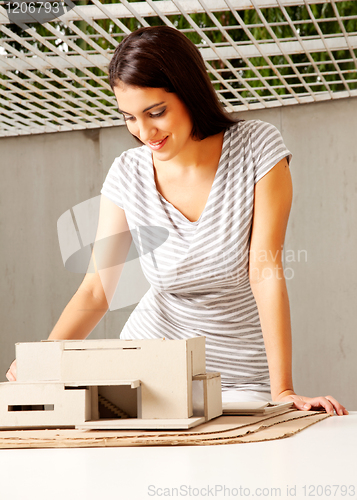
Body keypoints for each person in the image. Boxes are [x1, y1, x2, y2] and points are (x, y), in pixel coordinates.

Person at [6, 26, 347, 416]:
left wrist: (283, 389)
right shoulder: (127, 173)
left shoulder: (257, 149)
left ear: (189, 91)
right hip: (148, 370)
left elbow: (264, 270)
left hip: (237, 380)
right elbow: (97, 290)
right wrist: (43, 364)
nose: (144, 132)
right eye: (129, 117)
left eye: (156, 112)